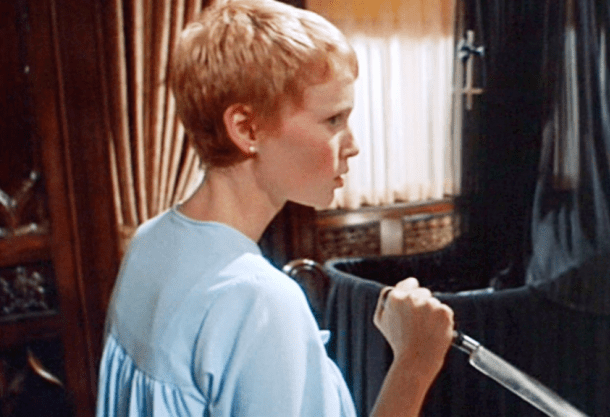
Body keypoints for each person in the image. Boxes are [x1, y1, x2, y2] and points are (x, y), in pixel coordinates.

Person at [95, 1, 455, 416]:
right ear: (247, 128)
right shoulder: (258, 300)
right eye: (333, 120)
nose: (353, 146)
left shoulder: (150, 240)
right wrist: (415, 362)